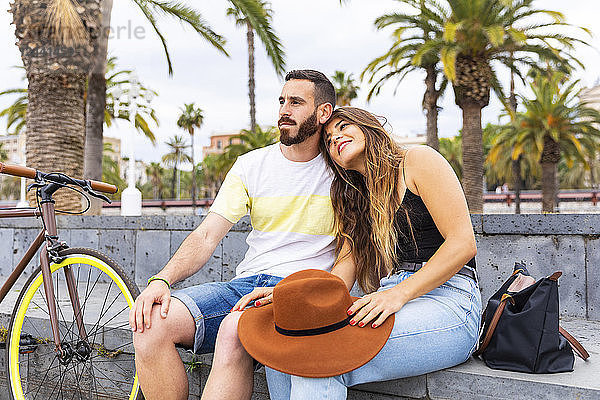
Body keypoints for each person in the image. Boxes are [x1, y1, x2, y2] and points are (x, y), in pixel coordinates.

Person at [234, 107, 482, 399]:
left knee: (317, 361)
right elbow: (342, 274)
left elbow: (463, 243)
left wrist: (397, 294)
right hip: (388, 298)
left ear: (368, 125)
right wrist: (287, 295)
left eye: (342, 126)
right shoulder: (355, 198)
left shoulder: (417, 160)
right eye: (327, 140)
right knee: (286, 348)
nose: (335, 137)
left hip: (450, 301)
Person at [129, 69, 337, 400]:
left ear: (323, 113)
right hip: (245, 286)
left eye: (296, 102)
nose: (284, 110)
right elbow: (207, 235)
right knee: (150, 325)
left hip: (301, 290)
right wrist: (162, 280)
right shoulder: (250, 165)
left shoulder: (343, 170)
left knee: (234, 329)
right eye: (282, 101)